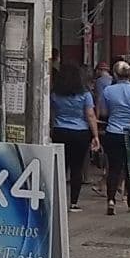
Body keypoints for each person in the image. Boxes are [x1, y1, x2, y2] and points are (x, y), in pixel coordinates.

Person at [100, 59, 130, 215]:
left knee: (114, 168)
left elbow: (104, 112)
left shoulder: (108, 91)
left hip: (112, 132)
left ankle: (111, 199)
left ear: (115, 74)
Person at [49, 60, 97, 208]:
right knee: (77, 167)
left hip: (60, 131)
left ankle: (59, 200)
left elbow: (51, 112)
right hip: (80, 133)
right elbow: (90, 115)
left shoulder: (55, 94)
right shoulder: (85, 94)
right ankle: (74, 203)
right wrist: (95, 135)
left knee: (61, 167)